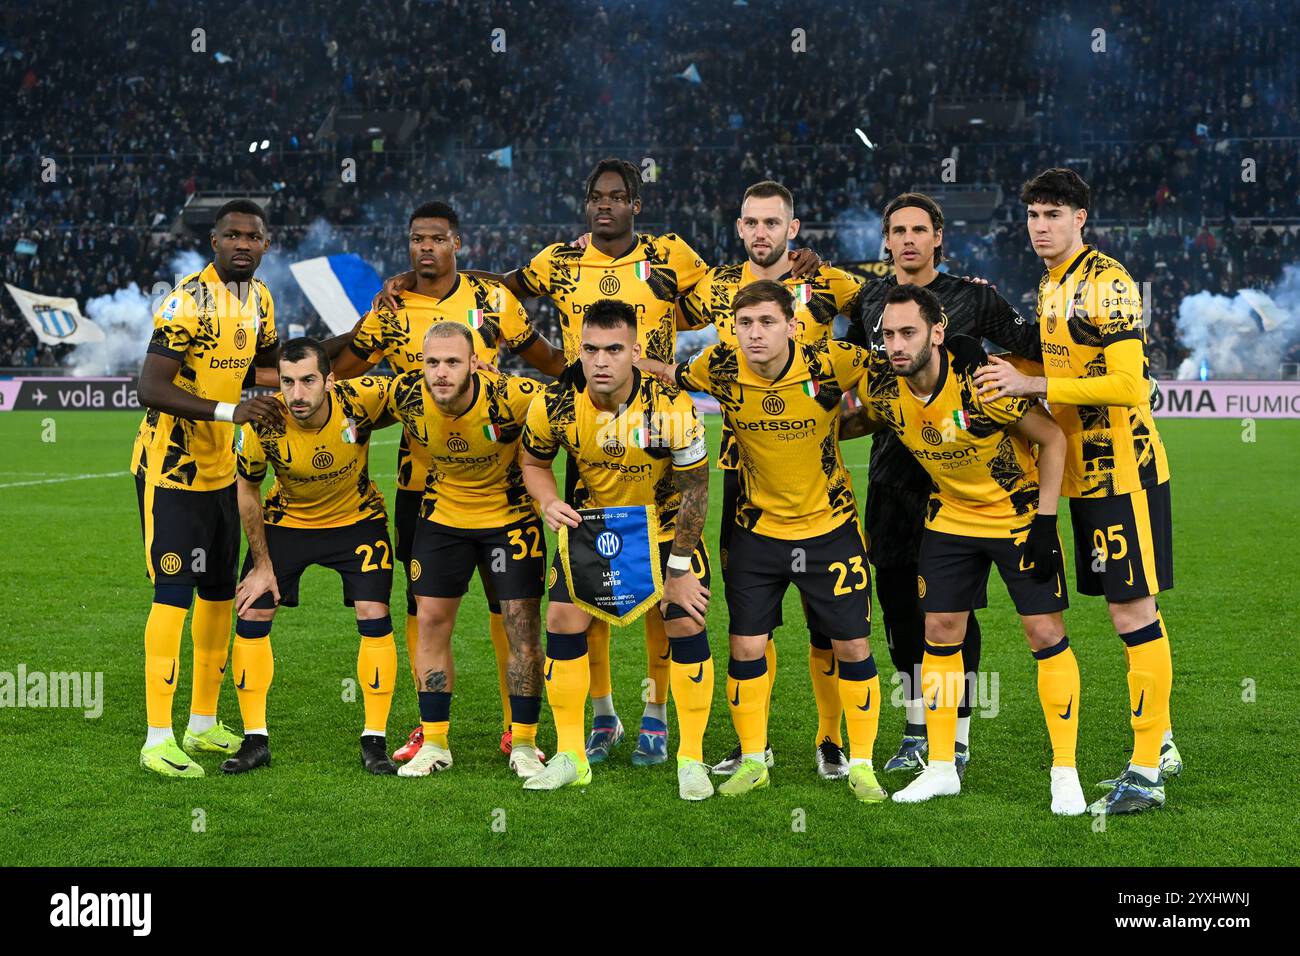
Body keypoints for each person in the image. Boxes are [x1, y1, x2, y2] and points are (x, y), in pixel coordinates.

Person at [974, 167, 1181, 815]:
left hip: (1125, 472)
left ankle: (1146, 770)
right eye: (1034, 215)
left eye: (1053, 216)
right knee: (1126, 611)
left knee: (1131, 612)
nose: (1041, 227)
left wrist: (1031, 386)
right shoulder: (1052, 285)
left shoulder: (1107, 282)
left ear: (1080, 218)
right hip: (1084, 477)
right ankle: (1163, 741)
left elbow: (1129, 385)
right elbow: (1059, 363)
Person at [330, 201, 564, 764]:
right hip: (424, 483)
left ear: (457, 242)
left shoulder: (493, 299)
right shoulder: (390, 307)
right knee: (423, 607)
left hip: (502, 484)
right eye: (416, 239)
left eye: (436, 238)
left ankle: (517, 730)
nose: (425, 248)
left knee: (508, 608)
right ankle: (428, 728)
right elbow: (340, 373)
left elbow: (549, 362)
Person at [640, 280, 887, 803]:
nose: (754, 334)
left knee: (852, 645)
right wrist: (638, 362)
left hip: (830, 527)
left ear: (793, 326)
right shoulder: (720, 366)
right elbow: (673, 373)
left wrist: (854, 422)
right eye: (744, 323)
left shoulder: (834, 362)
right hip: (757, 531)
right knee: (746, 645)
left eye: (767, 322)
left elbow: (893, 377)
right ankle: (754, 760)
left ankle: (860, 763)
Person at [841, 192, 1043, 778]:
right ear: (885, 240)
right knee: (901, 607)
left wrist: (1040, 384)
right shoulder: (870, 302)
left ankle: (954, 733)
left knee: (950, 609)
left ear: (938, 238)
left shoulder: (975, 296)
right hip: (893, 475)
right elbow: (857, 375)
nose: (907, 239)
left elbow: (1032, 348)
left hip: (961, 485)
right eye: (897, 230)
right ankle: (914, 724)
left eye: (919, 230)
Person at [862, 285, 1085, 814]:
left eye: (908, 332)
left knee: (1044, 632)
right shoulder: (886, 392)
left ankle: (1065, 772)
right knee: (938, 633)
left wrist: (1047, 524)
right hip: (951, 518)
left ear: (937, 333)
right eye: (888, 335)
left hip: (1018, 517)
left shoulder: (984, 385)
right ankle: (942, 767)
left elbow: (1053, 440)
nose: (896, 344)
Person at [680, 179, 863, 780]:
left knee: (827, 622)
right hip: (745, 476)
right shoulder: (716, 287)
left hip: (816, 471)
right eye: (751, 223)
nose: (762, 233)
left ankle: (832, 739)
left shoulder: (830, 281)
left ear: (793, 227)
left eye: (772, 223)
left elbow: (893, 314)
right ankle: (750, 744)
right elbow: (664, 325)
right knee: (751, 618)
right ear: (739, 228)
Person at [519, 300, 714, 799]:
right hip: (596, 522)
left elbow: (696, 491)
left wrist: (678, 570)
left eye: (613, 349)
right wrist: (547, 501)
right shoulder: (555, 402)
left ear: (635, 352)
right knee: (563, 619)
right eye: (590, 349)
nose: (601, 360)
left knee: (685, 617)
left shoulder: (671, 405)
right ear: (578, 350)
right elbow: (533, 461)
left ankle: (690, 758)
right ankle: (571, 755)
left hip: (666, 524)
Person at [133, 199, 283, 777]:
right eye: (232, 235)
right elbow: (150, 386)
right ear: (214, 241)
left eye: (253, 236)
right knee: (172, 595)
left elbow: (266, 370)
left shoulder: (262, 299)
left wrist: (309, 381)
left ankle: (200, 721)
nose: (243, 244)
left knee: (219, 593)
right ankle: (157, 738)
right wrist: (232, 409)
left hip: (225, 471)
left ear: (266, 244)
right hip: (171, 469)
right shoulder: (186, 300)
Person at [227, 337, 400, 776]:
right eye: (288, 382)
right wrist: (262, 565)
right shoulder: (263, 422)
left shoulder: (360, 400)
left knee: (373, 612)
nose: (297, 394)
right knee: (252, 611)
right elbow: (246, 491)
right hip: (288, 523)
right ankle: (255, 739)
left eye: (308, 381)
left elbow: (420, 392)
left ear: (330, 379)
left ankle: (374, 740)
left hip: (357, 520)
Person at [383, 323, 547, 779]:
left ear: (475, 362)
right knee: (431, 623)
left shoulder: (513, 396)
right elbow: (338, 397)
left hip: (509, 519)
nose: (441, 372)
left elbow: (574, 405)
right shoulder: (406, 395)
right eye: (432, 362)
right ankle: (435, 743)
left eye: (453, 362)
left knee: (522, 628)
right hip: (442, 520)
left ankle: (525, 742)